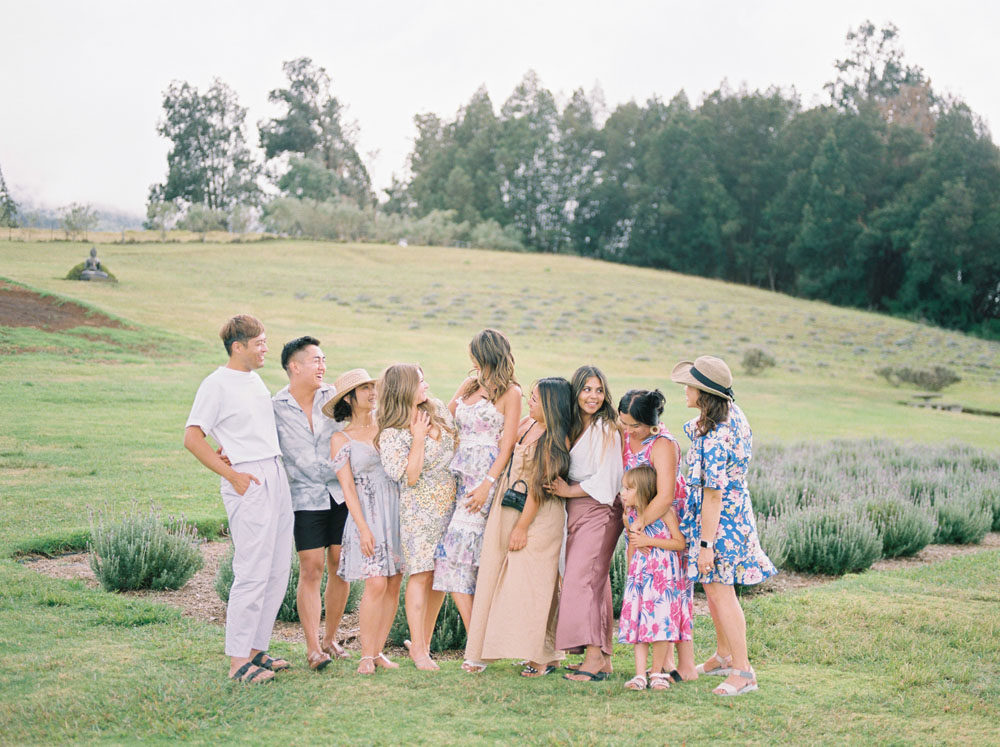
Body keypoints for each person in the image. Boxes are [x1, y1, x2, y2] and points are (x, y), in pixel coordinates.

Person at [183, 315, 292, 684]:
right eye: (259, 343)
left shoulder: (255, 379)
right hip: (248, 481)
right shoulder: (216, 384)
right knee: (252, 571)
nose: (265, 349)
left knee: (278, 569)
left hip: (275, 473)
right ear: (238, 347)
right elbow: (193, 437)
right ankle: (236, 662)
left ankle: (255, 650)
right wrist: (230, 473)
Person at [670, 355, 777, 697]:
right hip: (735, 514)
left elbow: (713, 495)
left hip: (720, 522)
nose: (684, 390)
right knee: (715, 586)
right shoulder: (731, 415)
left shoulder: (716, 436)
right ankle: (724, 655)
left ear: (703, 393)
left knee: (720, 590)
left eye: (690, 385)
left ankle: (744, 671)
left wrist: (705, 545)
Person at [463, 378, 571, 677]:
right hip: (508, 505)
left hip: (537, 516)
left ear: (550, 404)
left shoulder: (555, 438)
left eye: (535, 399)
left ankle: (543, 656)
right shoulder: (526, 424)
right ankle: (486, 650)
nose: (530, 403)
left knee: (533, 585)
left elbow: (540, 488)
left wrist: (522, 527)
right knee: (496, 578)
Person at [434, 329, 522, 670]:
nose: (470, 360)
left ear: (484, 355)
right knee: (457, 562)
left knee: (459, 555)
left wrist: (488, 483)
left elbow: (508, 444)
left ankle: (479, 645)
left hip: (484, 481)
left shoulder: (510, 392)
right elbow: (445, 416)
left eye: (474, 354)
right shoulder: (470, 386)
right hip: (458, 479)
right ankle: (479, 644)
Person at [270, 336, 351, 671]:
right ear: (295, 366)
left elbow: (365, 420)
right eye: (316, 360)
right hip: (303, 495)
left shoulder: (335, 397)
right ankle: (313, 647)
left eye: (324, 360)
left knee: (340, 565)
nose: (322, 366)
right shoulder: (275, 407)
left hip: (340, 492)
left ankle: (331, 638)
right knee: (311, 567)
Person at [324, 368, 405, 675]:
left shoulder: (389, 428)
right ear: (349, 397)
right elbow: (347, 490)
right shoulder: (340, 438)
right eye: (365, 389)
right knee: (375, 582)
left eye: (374, 387)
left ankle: (378, 650)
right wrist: (363, 528)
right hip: (367, 515)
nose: (373, 393)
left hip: (396, 511)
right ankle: (364, 656)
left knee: (394, 582)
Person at [377, 364, 457, 671]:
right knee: (421, 574)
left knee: (440, 578)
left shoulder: (434, 408)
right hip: (419, 510)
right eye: (420, 381)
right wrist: (419, 438)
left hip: (449, 502)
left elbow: (454, 439)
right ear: (404, 388)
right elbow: (409, 477)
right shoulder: (392, 434)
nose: (426, 385)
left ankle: (422, 642)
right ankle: (419, 649)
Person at [551, 365, 624, 682]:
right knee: (595, 581)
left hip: (600, 508)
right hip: (577, 510)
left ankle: (593, 658)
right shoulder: (573, 426)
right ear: (575, 392)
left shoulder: (606, 429)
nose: (593, 396)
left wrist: (569, 489)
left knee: (582, 579)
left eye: (598, 390)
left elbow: (609, 479)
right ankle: (603, 657)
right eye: (586, 389)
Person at [618, 389, 695, 682]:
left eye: (634, 425)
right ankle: (663, 666)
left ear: (650, 423)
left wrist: (638, 526)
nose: (628, 430)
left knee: (671, 595)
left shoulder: (662, 444)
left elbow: (666, 495)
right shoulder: (627, 435)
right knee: (642, 589)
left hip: (662, 521)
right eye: (624, 423)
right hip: (638, 518)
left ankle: (684, 667)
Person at [618, 465, 689, 691]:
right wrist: (631, 572)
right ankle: (639, 674)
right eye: (623, 488)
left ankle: (657, 672)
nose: (623, 493)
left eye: (629, 488)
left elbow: (679, 543)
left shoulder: (664, 514)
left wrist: (650, 541)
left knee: (661, 624)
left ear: (645, 490)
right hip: (641, 577)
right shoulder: (630, 517)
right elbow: (632, 547)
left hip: (663, 577)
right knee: (640, 624)